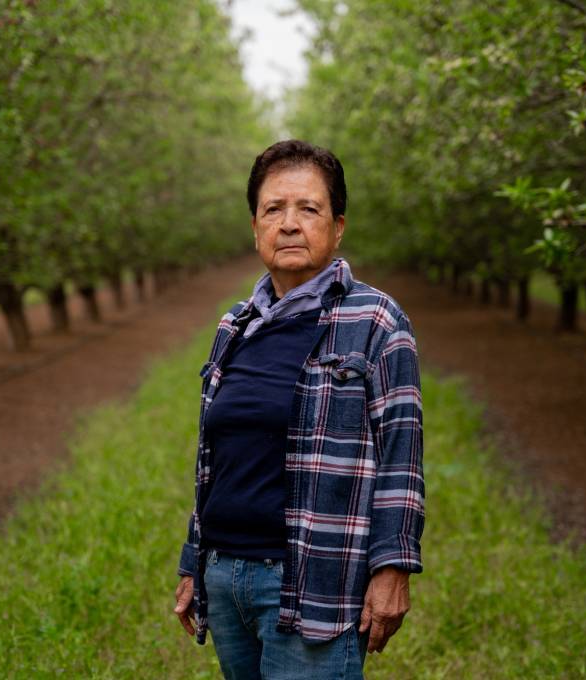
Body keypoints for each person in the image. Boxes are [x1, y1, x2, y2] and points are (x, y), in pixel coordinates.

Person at [173, 139, 424, 680]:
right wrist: (194, 563)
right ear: (255, 228)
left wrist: (393, 567)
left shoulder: (376, 321)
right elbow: (213, 462)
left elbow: (402, 457)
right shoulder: (234, 327)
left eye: (308, 208)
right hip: (226, 579)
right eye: (273, 209)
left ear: (337, 227)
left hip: (315, 582)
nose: (289, 224)